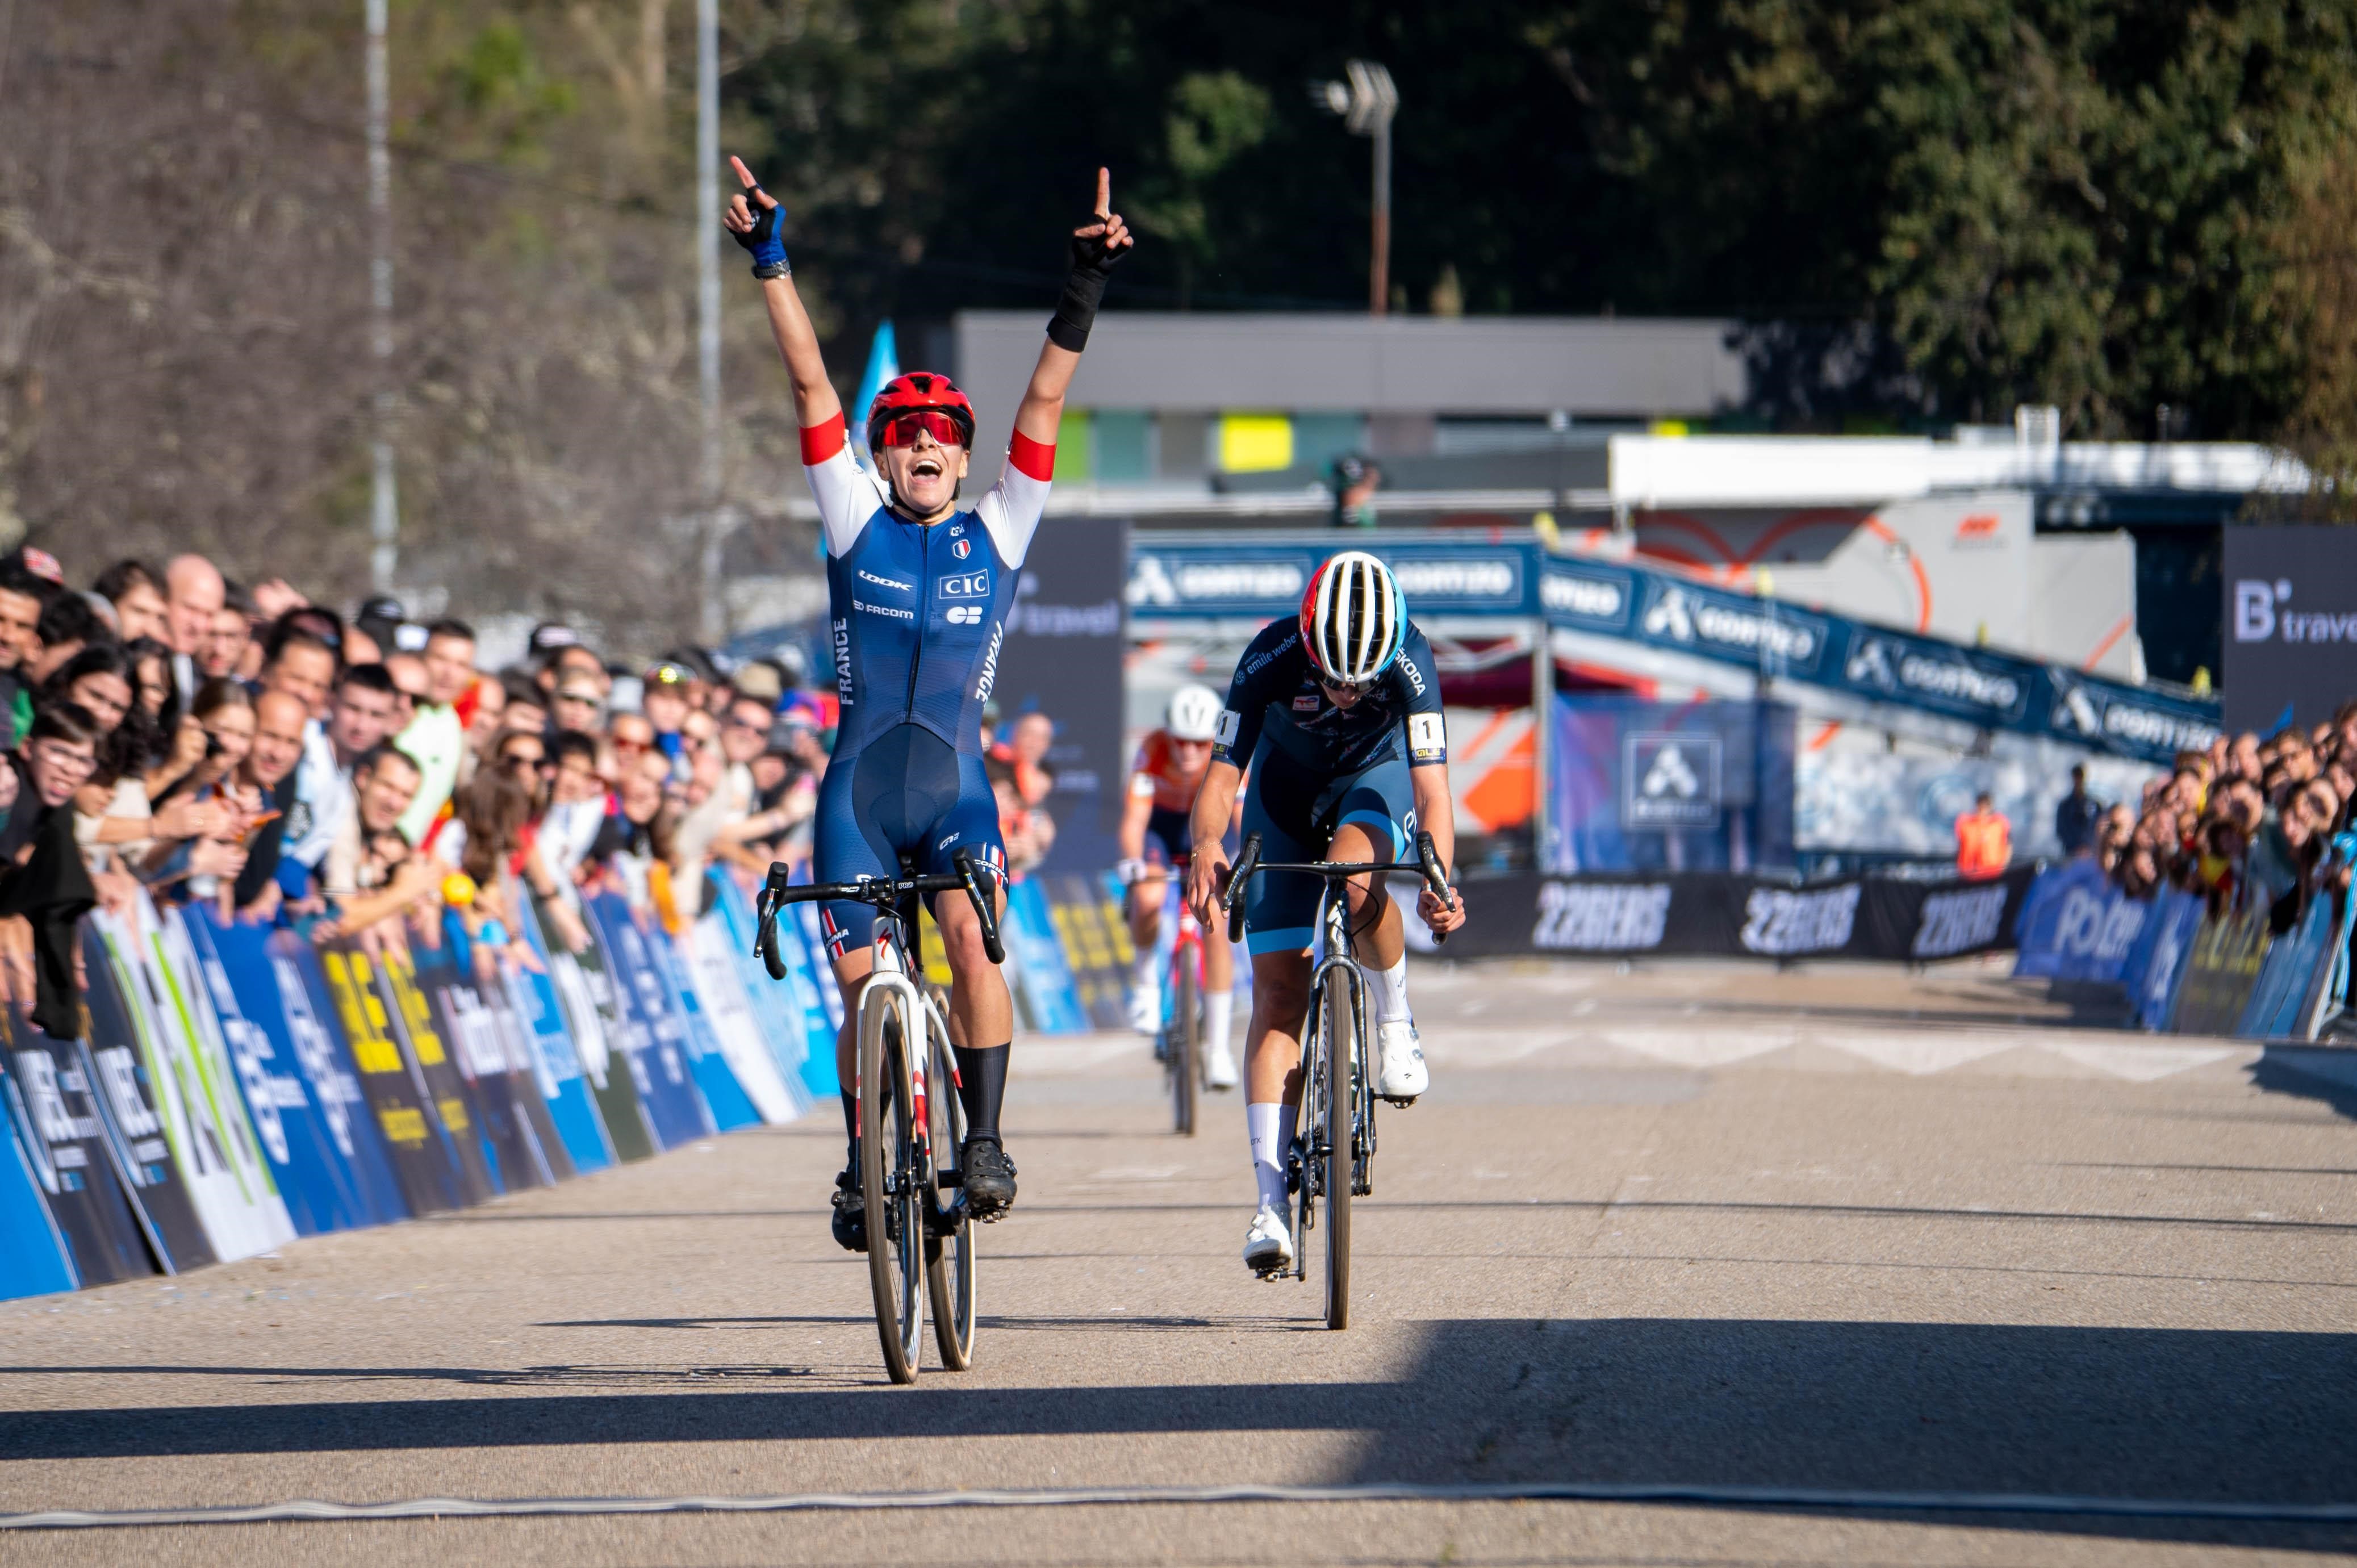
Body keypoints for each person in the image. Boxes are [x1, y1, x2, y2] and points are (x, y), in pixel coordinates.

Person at [725, 149, 1130, 1245]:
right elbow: (813, 386)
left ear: (963, 458)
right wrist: (772, 262)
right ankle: (865, 1163)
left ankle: (985, 1140)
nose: (924, 447)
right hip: (858, 791)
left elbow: (1045, 396)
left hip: (953, 789)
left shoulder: (1000, 527)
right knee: (860, 981)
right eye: (905, 434)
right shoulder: (851, 517)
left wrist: (1082, 285)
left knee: (971, 938)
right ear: (882, 454)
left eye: (943, 436)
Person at [1182, 551, 1468, 1277]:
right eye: (1333, 675)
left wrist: (1440, 873)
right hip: (1282, 789)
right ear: (1309, 641)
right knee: (1278, 993)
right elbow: (1221, 780)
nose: (1346, 691)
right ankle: (1270, 1202)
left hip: (1373, 782)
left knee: (1355, 871)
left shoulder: (1411, 658)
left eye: (1360, 678)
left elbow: (1434, 793)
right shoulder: (1268, 655)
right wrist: (1209, 843)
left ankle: (1394, 1021)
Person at [1118, 683, 1239, 1087]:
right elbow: (1135, 821)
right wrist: (1134, 864)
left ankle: (1219, 1047)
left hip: (1212, 830)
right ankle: (1147, 985)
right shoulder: (1150, 750)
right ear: (1167, 735)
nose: (1188, 752)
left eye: (1198, 743)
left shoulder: (1229, 755)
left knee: (1217, 927)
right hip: (1165, 831)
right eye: (1180, 742)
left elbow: (1240, 821)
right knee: (1149, 894)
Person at [393, 619, 477, 844]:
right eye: (440, 659)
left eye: (461, 665)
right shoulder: (397, 710)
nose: (449, 673)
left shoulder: (454, 725)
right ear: (421, 658)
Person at [164, 554, 224, 705]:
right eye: (191, 609)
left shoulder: (200, 682)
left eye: (209, 615)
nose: (198, 625)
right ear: (163, 599)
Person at [1955, 791, 2012, 880]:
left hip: (1993, 872)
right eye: (1981, 805)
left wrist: (2004, 866)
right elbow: (1961, 846)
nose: (1983, 808)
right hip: (1969, 873)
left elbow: (2008, 845)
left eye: (1987, 805)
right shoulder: (1966, 824)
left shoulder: (1999, 823)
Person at [2054, 764, 2102, 858]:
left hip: (2091, 855)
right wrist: (2077, 847)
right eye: (2077, 777)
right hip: (2071, 854)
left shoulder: (2096, 805)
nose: (2079, 781)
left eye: (2081, 777)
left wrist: (2088, 846)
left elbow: (2099, 828)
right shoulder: (2065, 806)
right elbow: (2061, 830)